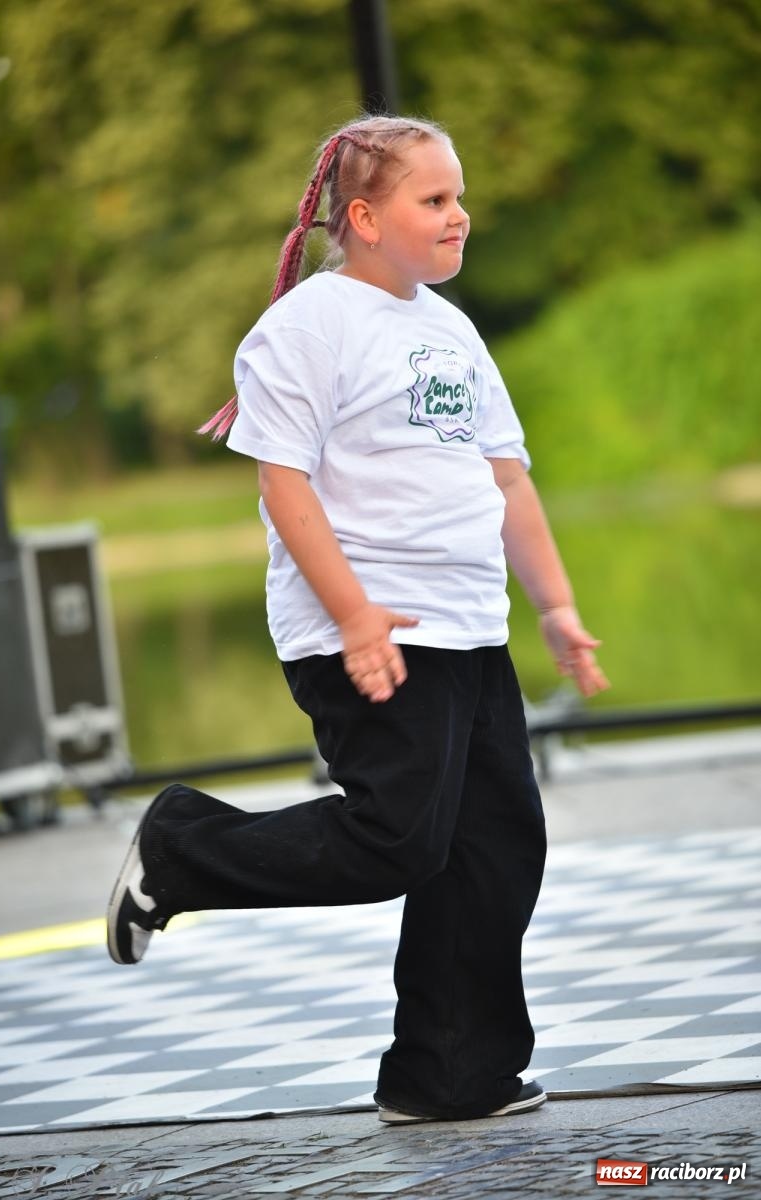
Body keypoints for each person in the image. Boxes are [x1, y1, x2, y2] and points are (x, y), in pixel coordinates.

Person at [107, 114, 609, 1124]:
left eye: (460, 195)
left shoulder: (451, 329)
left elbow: (507, 480)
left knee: (496, 851)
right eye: (436, 200)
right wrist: (356, 617)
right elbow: (282, 480)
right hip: (370, 637)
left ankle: (448, 1076)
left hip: (468, 633)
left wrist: (554, 606)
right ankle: (180, 850)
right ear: (368, 219)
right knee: (398, 837)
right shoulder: (308, 326)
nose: (460, 215)